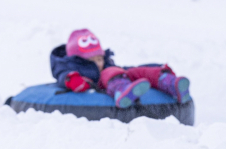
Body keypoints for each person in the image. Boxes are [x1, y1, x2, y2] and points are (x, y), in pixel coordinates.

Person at [50, 29, 191, 108]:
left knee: (136, 71)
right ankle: (122, 91)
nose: (98, 63)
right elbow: (62, 75)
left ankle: (169, 82)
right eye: (91, 60)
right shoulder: (71, 67)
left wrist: (157, 68)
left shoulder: (107, 65)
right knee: (110, 72)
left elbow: (124, 69)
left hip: (116, 74)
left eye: (99, 58)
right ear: (78, 60)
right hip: (99, 83)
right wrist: (72, 79)